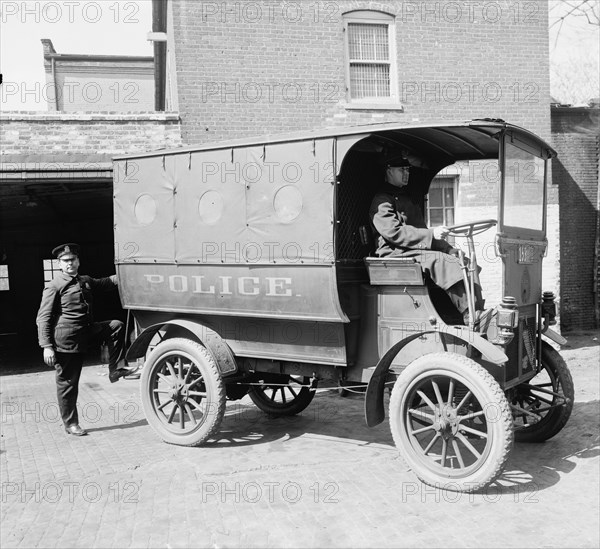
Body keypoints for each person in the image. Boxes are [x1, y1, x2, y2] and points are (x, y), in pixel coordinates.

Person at [369, 154, 483, 324]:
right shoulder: (382, 201)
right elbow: (394, 233)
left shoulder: (405, 198)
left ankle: (478, 310)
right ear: (389, 171)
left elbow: (422, 232)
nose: (406, 173)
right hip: (394, 255)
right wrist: (431, 234)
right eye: (401, 170)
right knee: (444, 262)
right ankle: (469, 313)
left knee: (462, 259)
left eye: (407, 169)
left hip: (412, 251)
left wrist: (448, 248)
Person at [36, 243, 136, 436]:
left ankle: (116, 369)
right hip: (67, 340)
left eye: (72, 260)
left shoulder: (85, 280)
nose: (69, 264)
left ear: (78, 261)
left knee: (115, 326)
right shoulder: (54, 285)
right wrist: (46, 346)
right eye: (65, 261)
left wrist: (128, 273)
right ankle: (71, 423)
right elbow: (43, 317)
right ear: (59, 264)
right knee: (68, 383)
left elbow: (107, 282)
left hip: (87, 332)